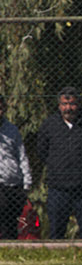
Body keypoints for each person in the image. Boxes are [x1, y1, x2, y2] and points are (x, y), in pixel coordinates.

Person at [37, 87, 82, 239]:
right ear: (59, 105)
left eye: (72, 104)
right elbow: (42, 152)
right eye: (64, 104)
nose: (68, 108)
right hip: (58, 187)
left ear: (78, 104)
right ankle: (55, 260)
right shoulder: (49, 125)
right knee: (56, 231)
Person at [0, 94, 32, 239]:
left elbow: (21, 155)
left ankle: (10, 248)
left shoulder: (12, 130)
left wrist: (26, 180)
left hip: (13, 183)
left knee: (11, 222)